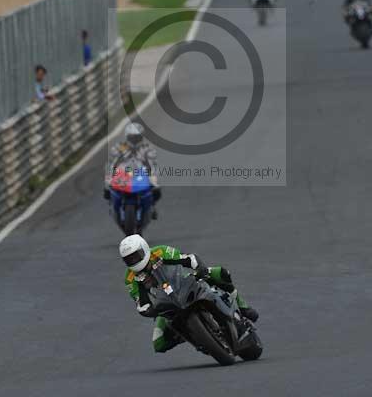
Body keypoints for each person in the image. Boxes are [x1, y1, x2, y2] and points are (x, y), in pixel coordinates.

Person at [120, 235, 259, 353]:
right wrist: (149, 309)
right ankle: (191, 335)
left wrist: (199, 268)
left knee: (220, 273)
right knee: (159, 344)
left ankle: (242, 305)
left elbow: (187, 259)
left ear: (144, 249)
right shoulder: (130, 278)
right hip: (167, 304)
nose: (134, 261)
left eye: (136, 256)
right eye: (129, 259)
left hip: (185, 282)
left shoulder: (160, 252)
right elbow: (140, 303)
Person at [105, 122, 161, 216]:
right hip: (124, 171)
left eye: (137, 137)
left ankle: (152, 206)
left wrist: (152, 175)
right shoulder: (120, 146)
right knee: (108, 186)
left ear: (141, 137)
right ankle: (112, 204)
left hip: (141, 171)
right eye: (132, 137)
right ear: (127, 137)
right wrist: (111, 175)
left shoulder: (147, 148)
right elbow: (113, 160)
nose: (134, 140)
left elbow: (152, 161)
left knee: (156, 187)